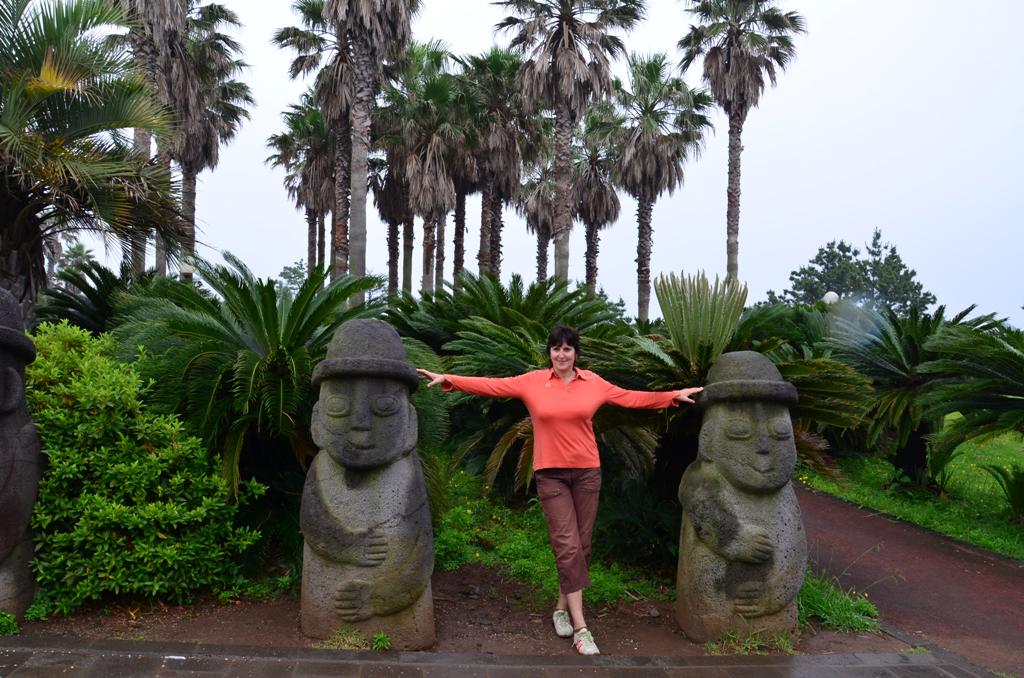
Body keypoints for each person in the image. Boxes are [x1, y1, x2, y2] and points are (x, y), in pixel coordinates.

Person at [417, 324, 702, 655]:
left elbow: (630, 398)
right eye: (556, 348)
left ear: (575, 353)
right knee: (567, 547)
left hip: (587, 474)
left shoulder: (593, 383)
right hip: (550, 475)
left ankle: (560, 609)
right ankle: (582, 628)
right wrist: (449, 379)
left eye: (567, 349)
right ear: (549, 353)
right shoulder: (533, 382)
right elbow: (493, 386)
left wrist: (671, 396)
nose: (561, 354)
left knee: (581, 547)